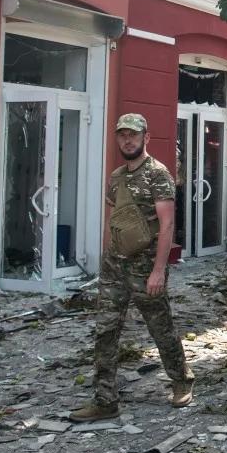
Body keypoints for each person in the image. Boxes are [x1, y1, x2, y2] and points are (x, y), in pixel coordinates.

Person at [71, 113, 195, 421]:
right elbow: (115, 220)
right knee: (105, 332)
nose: (127, 139)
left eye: (133, 134)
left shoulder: (158, 174)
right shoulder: (116, 177)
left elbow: (167, 226)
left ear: (146, 138)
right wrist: (106, 254)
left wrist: (158, 270)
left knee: (160, 327)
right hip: (115, 267)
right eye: (122, 134)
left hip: (145, 267)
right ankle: (104, 399)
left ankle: (181, 380)